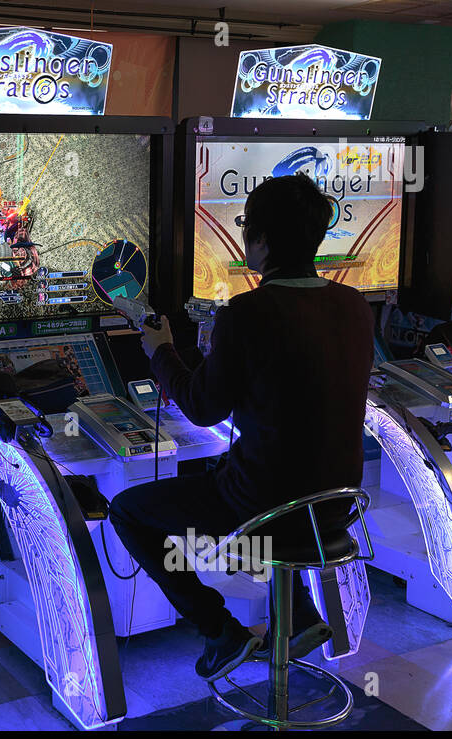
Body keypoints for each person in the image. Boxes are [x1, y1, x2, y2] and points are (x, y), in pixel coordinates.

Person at [109, 174, 374, 680]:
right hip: (337, 505)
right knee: (256, 470)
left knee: (129, 512)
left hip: (265, 507)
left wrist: (160, 350)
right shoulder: (354, 306)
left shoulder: (248, 313)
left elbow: (202, 408)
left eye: (247, 227)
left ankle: (220, 631)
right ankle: (295, 614)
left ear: (264, 241)